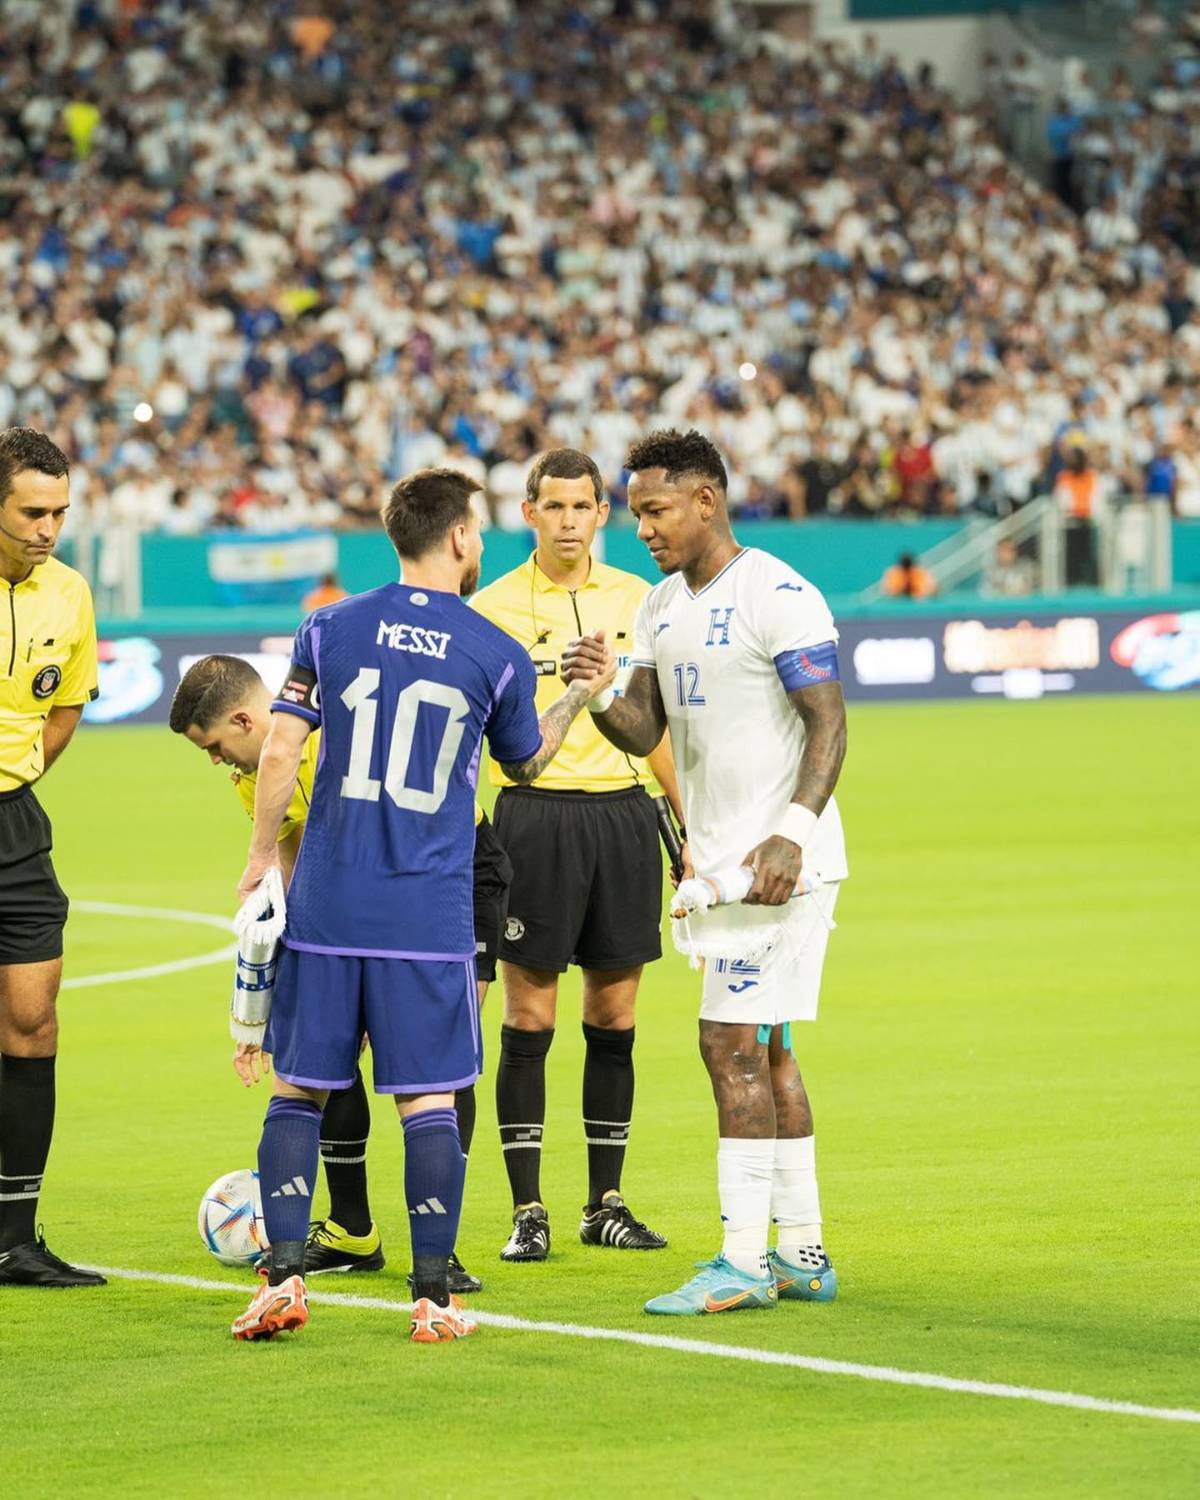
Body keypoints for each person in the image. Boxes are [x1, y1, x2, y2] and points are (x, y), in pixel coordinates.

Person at [229, 467, 614, 1343]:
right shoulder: (494, 652)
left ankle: (282, 1281)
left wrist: (261, 860)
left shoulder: (327, 627)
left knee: (297, 1094)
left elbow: (282, 750)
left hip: (327, 905)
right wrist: (580, 694)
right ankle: (435, 1298)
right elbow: (527, 762)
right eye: (476, 530)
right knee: (428, 1102)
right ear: (459, 539)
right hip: (427, 915)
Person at [563, 429, 848, 1317]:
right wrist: (606, 690)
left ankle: (740, 1262)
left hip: (775, 867)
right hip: (721, 863)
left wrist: (792, 835)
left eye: (654, 509)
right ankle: (800, 1251)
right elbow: (645, 729)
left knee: (726, 1044)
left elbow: (830, 724)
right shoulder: (658, 606)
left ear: (706, 502)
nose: (642, 528)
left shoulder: (779, 593)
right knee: (768, 1046)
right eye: (638, 511)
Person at [169, 653, 515, 1294]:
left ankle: (442, 1246)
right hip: (358, 894)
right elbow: (295, 854)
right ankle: (354, 1231)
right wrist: (307, 968)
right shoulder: (254, 778)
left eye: (216, 747)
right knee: (328, 1051)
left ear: (246, 720)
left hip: (452, 871)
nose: (218, 762)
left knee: (442, 1056)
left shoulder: (340, 726)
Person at [471, 448, 683, 1263]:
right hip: (532, 820)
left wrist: (683, 825)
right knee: (529, 1019)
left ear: (603, 515)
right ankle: (529, 1208)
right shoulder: (491, 609)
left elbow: (653, 724)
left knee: (615, 1017)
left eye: (581, 507)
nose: (567, 521)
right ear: (528, 512)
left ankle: (606, 1203)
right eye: (552, 506)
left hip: (624, 820)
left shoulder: (640, 599)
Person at [0, 428, 104, 1289]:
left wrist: (24, 770)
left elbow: (66, 705)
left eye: (60, 513)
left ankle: (14, 1237)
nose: (49, 528)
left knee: (34, 1020)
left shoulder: (69, 592)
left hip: (16, 826)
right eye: (33, 512)